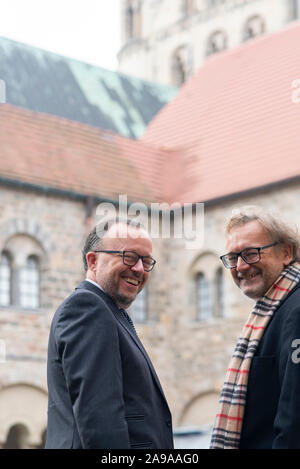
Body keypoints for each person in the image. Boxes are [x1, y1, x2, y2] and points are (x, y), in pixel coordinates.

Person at [45, 218, 173, 449]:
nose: (139, 269)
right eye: (129, 257)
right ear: (93, 261)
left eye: (146, 261)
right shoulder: (87, 307)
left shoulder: (111, 312)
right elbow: (100, 419)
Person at [210, 206, 300, 449]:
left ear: (286, 252)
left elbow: (294, 421)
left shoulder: (296, 310)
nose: (240, 266)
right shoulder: (271, 310)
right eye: (232, 258)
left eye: (251, 253)